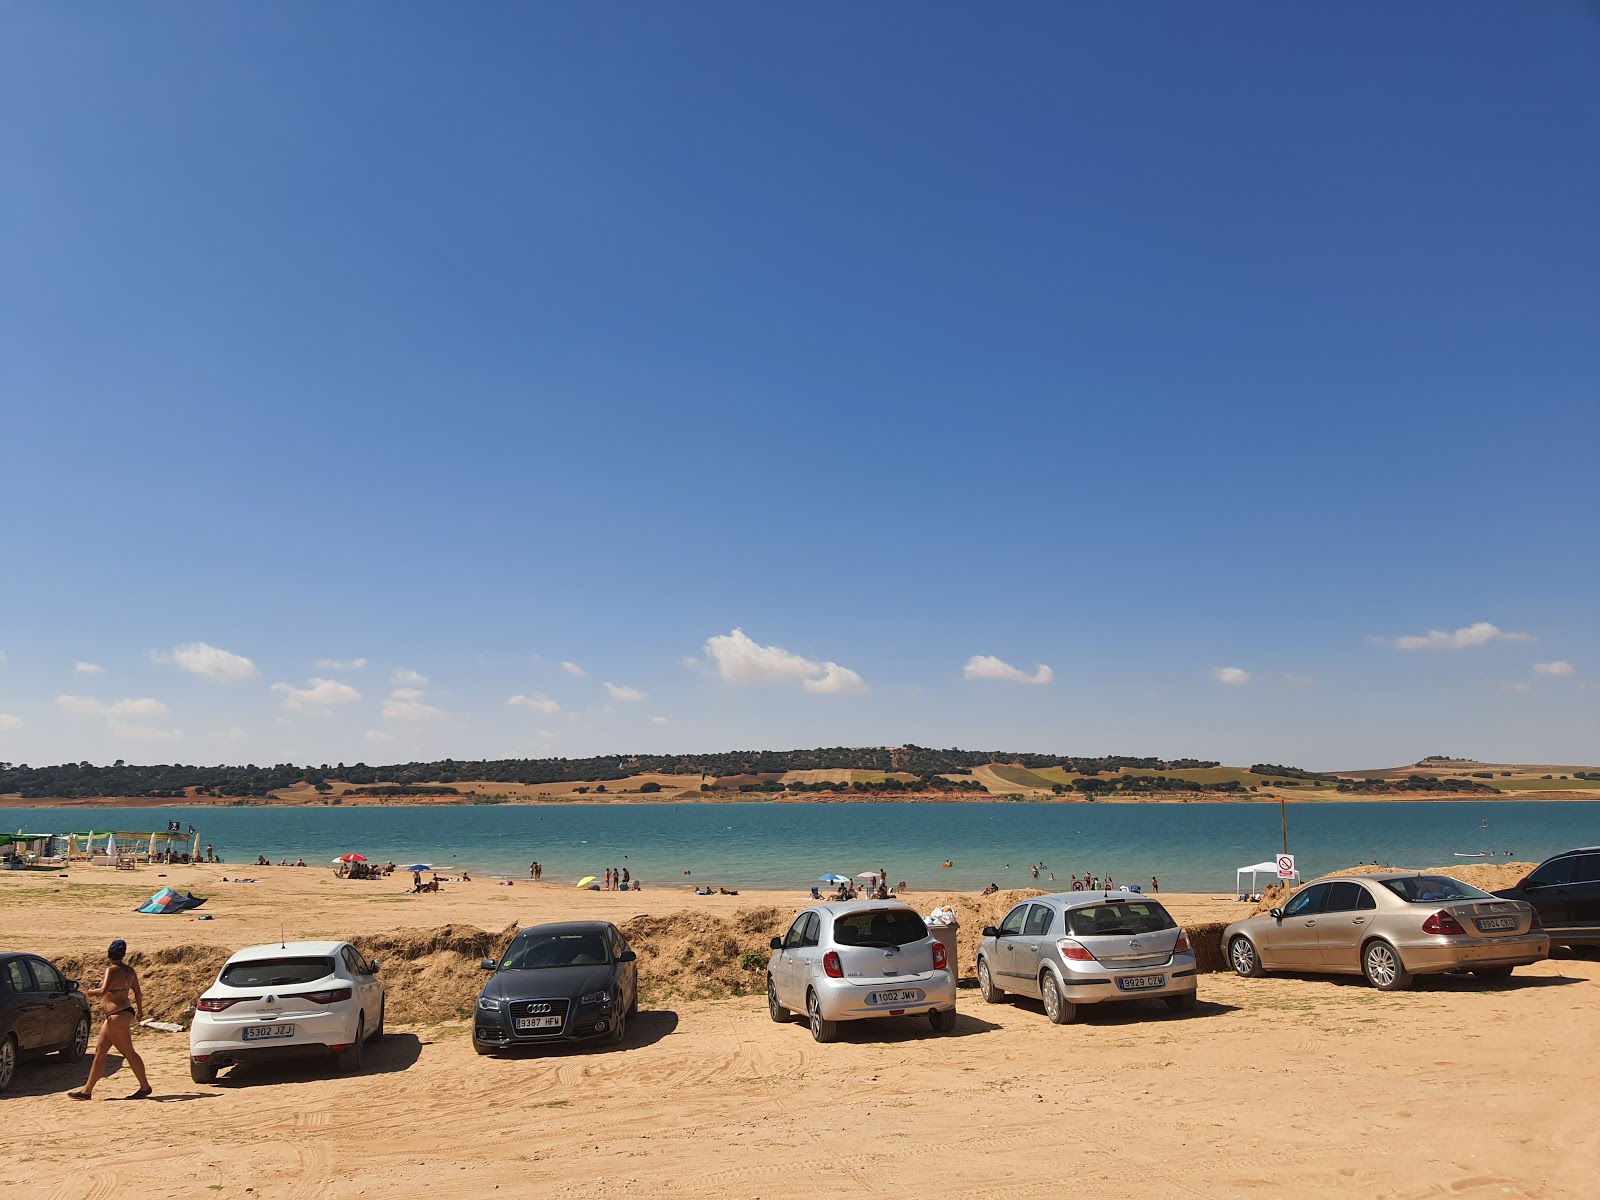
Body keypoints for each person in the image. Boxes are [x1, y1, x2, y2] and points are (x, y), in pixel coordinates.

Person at [69, 940, 151, 1100]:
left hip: (116, 1016)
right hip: (124, 1013)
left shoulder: (111, 971)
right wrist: (140, 1011)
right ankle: (87, 1091)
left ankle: (145, 1087)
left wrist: (88, 992)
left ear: (109, 954)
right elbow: (138, 993)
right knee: (100, 1053)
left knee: (128, 1052)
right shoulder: (130, 971)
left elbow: (103, 991)